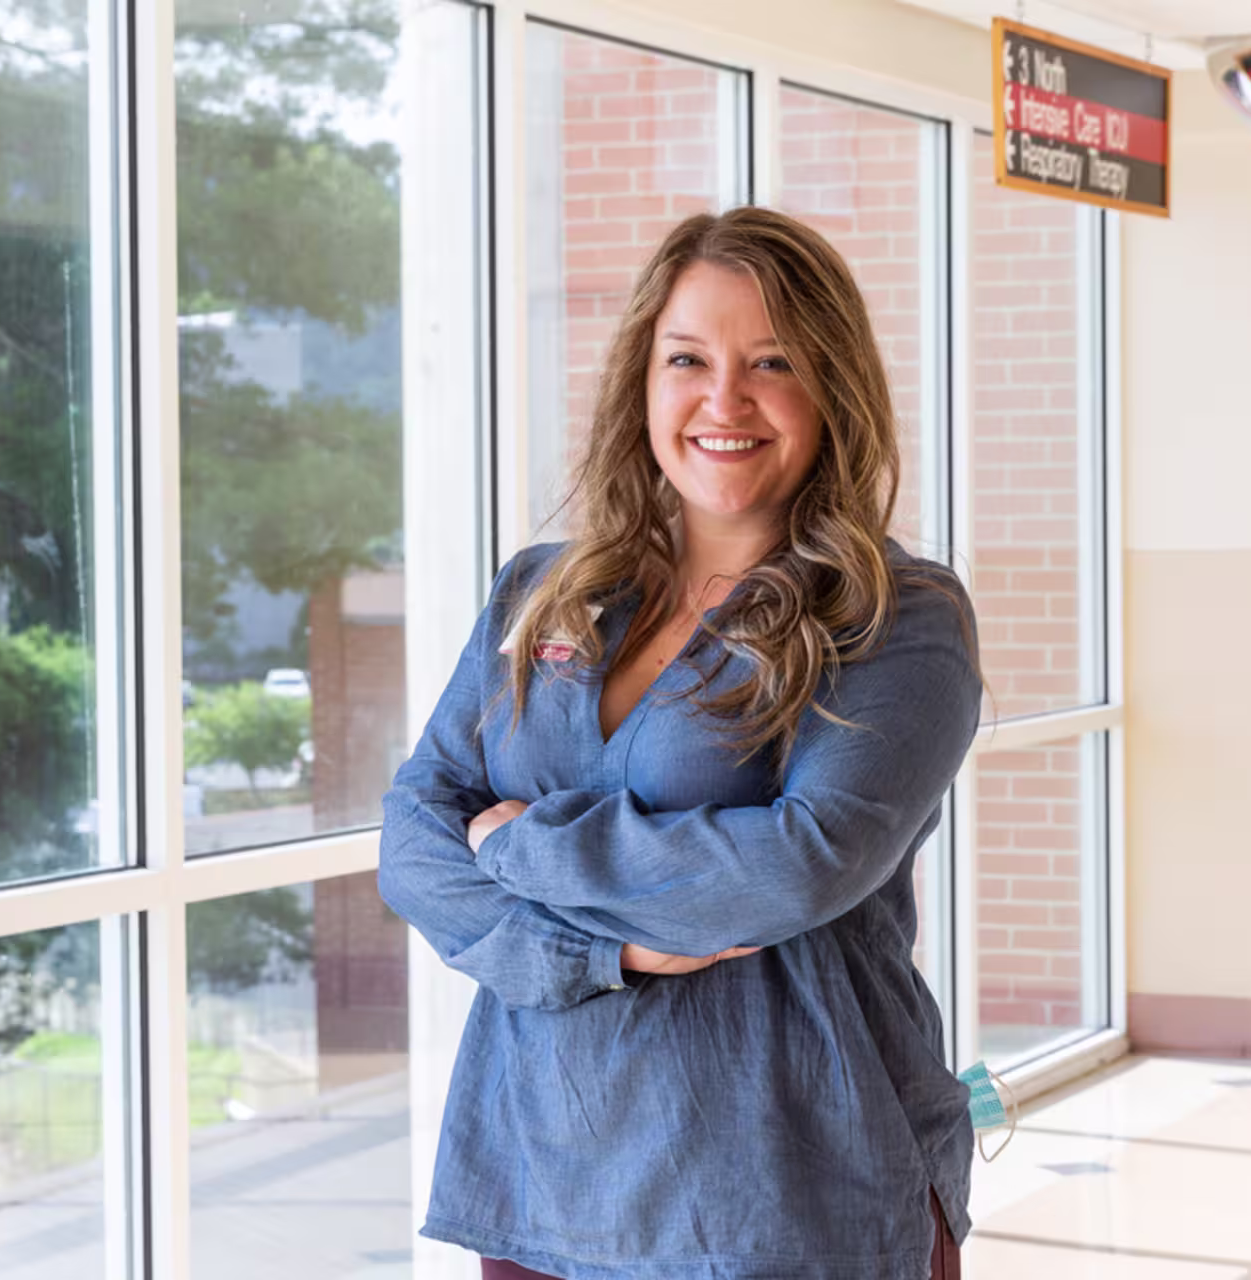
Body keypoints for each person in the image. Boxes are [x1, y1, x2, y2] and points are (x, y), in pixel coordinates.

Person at [378, 206, 981, 1280]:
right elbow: (415, 832)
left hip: (787, 1191)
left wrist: (518, 844)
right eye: (689, 358)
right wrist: (596, 948)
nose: (725, 400)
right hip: (539, 1173)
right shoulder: (543, 587)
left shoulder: (898, 617)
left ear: (831, 389)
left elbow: (796, 865)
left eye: (772, 362)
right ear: (642, 383)